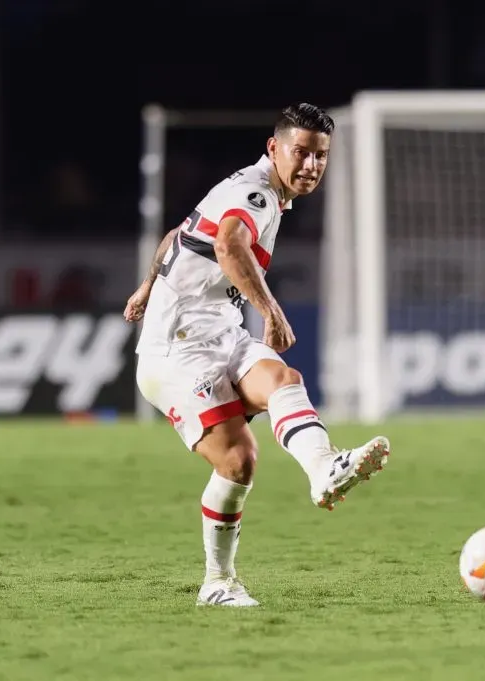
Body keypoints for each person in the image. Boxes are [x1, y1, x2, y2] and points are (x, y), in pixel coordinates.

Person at [123, 103, 391, 607]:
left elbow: (178, 235)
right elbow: (227, 244)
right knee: (239, 459)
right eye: (301, 152)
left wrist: (145, 285)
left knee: (283, 378)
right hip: (176, 351)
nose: (311, 165)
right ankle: (217, 584)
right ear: (274, 148)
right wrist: (270, 309)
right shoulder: (256, 194)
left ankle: (324, 469)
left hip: (221, 334)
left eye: (320, 156)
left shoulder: (254, 189)